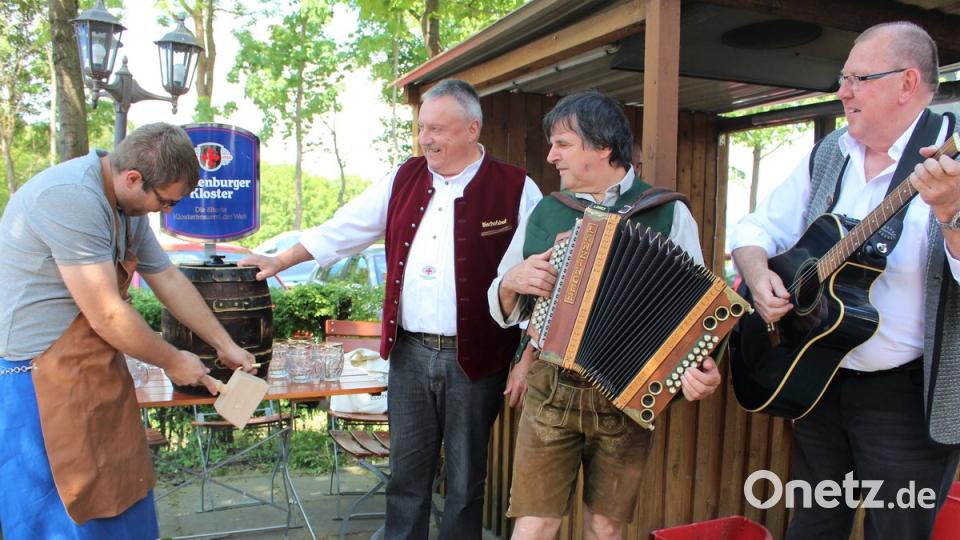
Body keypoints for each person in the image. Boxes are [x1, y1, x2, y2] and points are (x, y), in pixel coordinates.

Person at [240, 79, 542, 539]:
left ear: (472, 129)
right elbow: (343, 229)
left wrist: (528, 358)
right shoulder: (404, 178)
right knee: (406, 478)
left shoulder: (516, 188)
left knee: (464, 481)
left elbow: (540, 279)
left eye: (437, 128)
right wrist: (280, 260)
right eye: (423, 127)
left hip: (478, 359)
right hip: (409, 355)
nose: (426, 138)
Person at [731, 21, 960, 539]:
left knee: (896, 532)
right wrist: (758, 273)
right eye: (843, 78)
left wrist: (951, 212)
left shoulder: (950, 159)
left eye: (858, 78)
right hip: (817, 378)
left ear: (906, 83)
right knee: (813, 525)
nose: (842, 92)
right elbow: (755, 228)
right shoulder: (831, 152)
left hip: (907, 400)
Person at [0, 123, 254, 539]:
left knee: (122, 495)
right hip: (33, 379)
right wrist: (173, 361)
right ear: (133, 178)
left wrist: (224, 345)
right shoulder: (69, 198)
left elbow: (167, 278)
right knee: (61, 514)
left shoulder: (126, 204)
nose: (164, 212)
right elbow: (106, 314)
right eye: (164, 202)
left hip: (94, 369)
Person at [489, 90, 722, 540]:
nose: (551, 155)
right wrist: (512, 281)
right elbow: (501, 300)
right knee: (534, 524)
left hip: (626, 394)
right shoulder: (548, 211)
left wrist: (701, 369)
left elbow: (695, 311)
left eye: (563, 144)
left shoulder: (668, 212)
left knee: (607, 526)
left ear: (602, 147)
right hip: (552, 386)